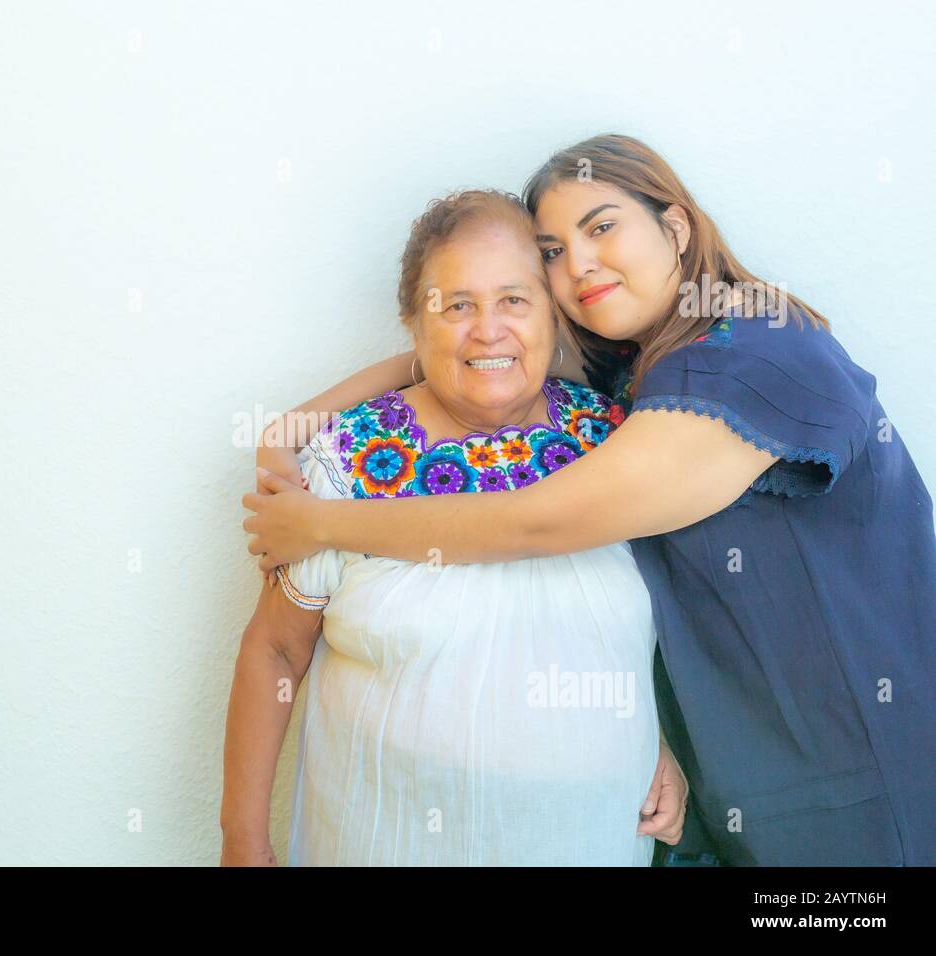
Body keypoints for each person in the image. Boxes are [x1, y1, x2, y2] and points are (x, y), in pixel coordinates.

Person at [244, 135, 936, 866]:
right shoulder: (638, 363)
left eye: (601, 227)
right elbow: (470, 352)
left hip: (856, 773)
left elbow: (535, 523)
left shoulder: (758, 354)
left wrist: (320, 522)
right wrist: (284, 433)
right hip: (734, 793)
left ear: (675, 227)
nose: (578, 264)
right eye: (553, 250)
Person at [222, 189, 686, 866]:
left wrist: (657, 739)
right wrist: (243, 840)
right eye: (456, 306)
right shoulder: (344, 462)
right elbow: (275, 653)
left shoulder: (616, 442)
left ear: (553, 313)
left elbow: (645, 632)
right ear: (414, 325)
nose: (488, 331)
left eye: (514, 300)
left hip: (590, 842)